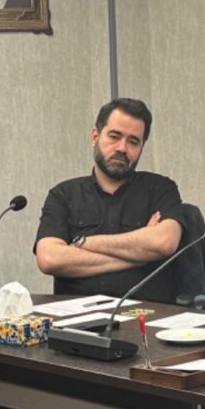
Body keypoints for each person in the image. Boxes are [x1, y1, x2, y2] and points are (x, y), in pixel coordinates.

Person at [34, 98, 184, 303]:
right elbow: (49, 259)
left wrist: (84, 242)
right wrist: (141, 255)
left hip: (148, 313)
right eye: (114, 136)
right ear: (95, 136)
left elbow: (164, 243)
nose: (122, 148)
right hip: (77, 315)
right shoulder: (63, 195)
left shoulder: (161, 189)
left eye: (133, 141)